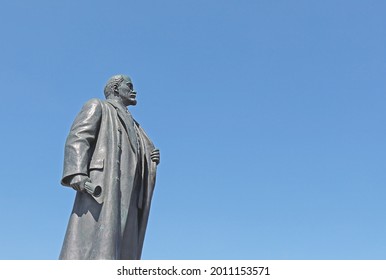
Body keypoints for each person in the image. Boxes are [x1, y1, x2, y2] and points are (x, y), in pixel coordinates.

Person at [60, 74, 160, 259]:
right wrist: (78, 174)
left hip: (130, 191)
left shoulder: (137, 126)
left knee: (123, 246)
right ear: (115, 89)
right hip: (104, 184)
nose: (133, 91)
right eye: (129, 86)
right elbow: (78, 137)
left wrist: (149, 156)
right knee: (96, 241)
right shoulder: (98, 106)